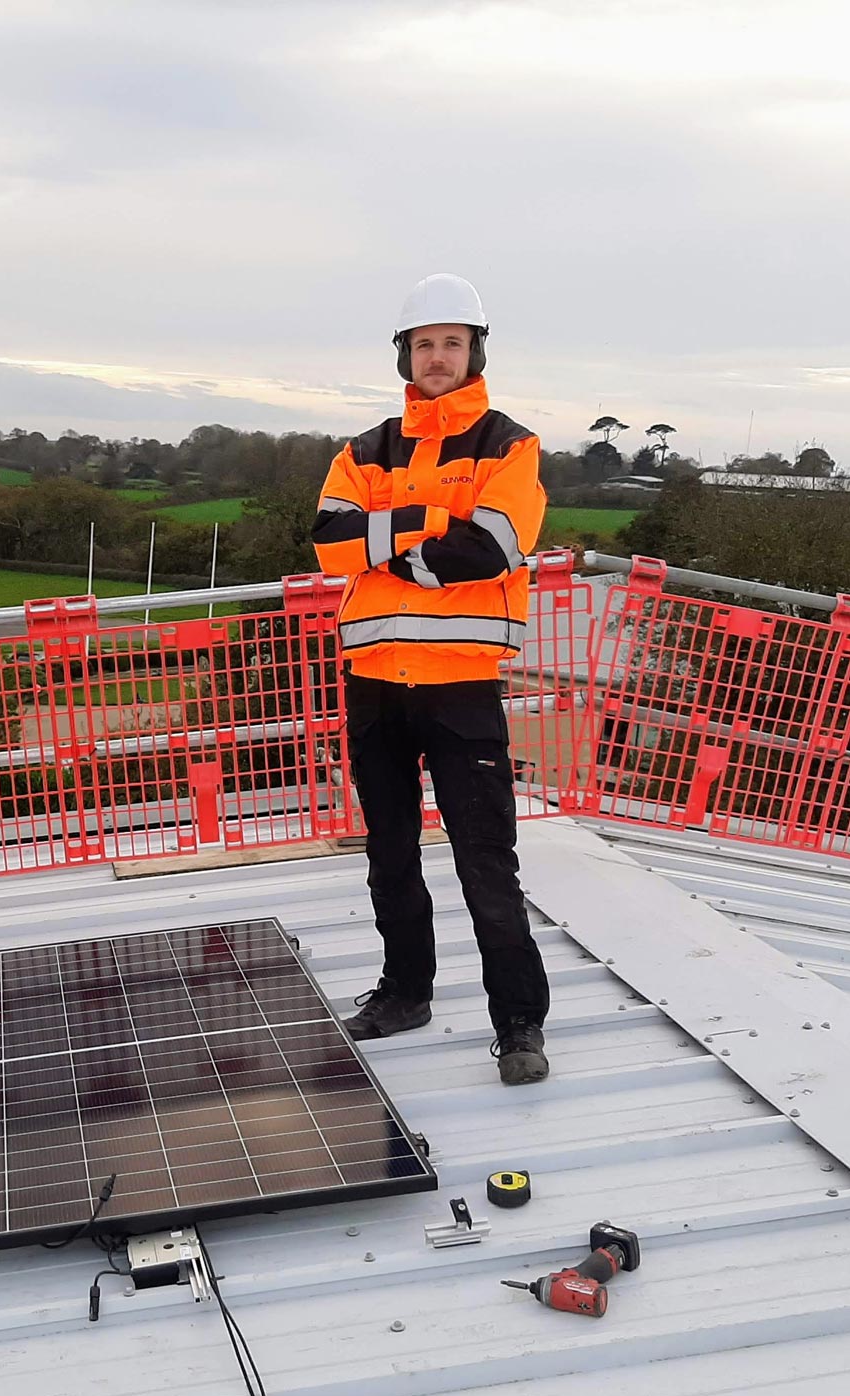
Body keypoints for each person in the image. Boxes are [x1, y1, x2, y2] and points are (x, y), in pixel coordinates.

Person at [310, 274, 553, 1084]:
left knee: (486, 859)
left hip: (459, 688)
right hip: (375, 683)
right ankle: (404, 994)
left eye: (452, 342)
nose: (438, 357)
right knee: (390, 854)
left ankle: (518, 1024)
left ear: (475, 350)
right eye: (424, 344)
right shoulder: (365, 448)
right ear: (404, 355)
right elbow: (327, 541)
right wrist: (432, 533)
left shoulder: (508, 445)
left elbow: (493, 547)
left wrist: (389, 547)